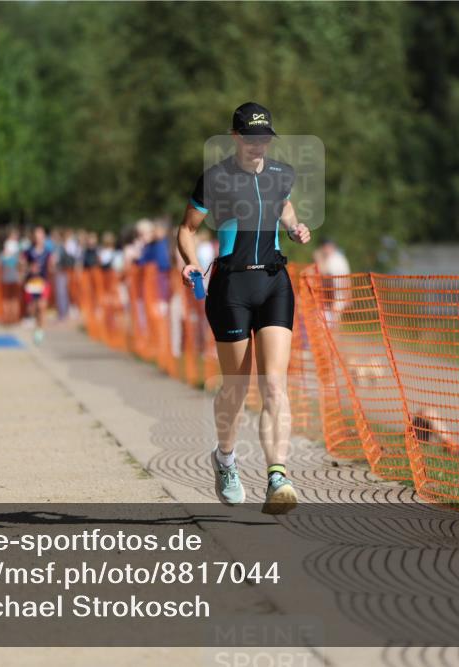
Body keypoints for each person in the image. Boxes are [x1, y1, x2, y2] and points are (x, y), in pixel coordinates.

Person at [177, 102, 311, 514]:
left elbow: (283, 203)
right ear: (235, 136)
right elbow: (186, 229)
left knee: (274, 384)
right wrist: (190, 261)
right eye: (251, 137)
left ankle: (277, 476)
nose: (258, 144)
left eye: (264, 137)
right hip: (231, 287)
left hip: (273, 282)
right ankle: (225, 459)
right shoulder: (215, 178)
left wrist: (293, 225)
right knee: (235, 388)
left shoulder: (281, 174)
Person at [20, 226, 55, 344]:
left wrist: (52, 267)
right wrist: (29, 268)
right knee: (32, 308)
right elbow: (22, 266)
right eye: (36, 236)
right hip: (31, 283)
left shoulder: (48, 252)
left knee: (42, 307)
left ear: (44, 237)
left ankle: (40, 330)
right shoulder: (28, 252)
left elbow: (51, 267)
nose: (38, 238)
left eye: (40, 236)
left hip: (43, 282)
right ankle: (35, 324)